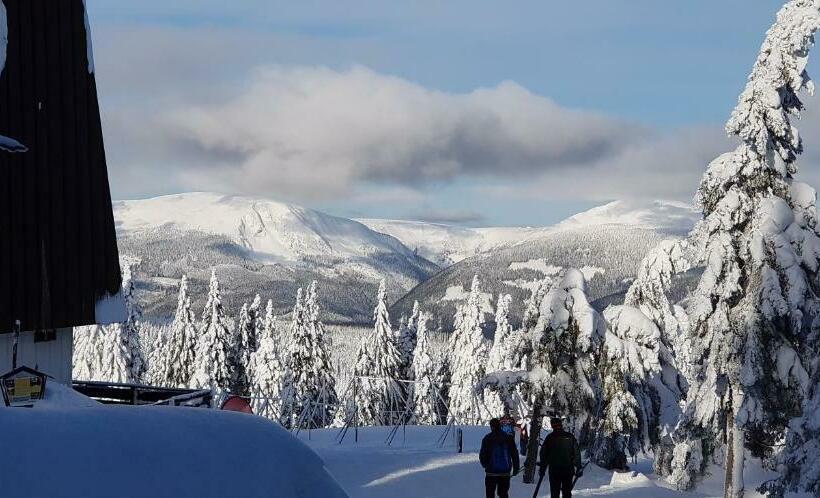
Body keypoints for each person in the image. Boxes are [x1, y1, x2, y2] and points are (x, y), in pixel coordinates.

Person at [538, 417, 582, 498]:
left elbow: (543, 454)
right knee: (567, 493)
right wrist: (578, 467)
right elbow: (577, 453)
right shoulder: (570, 436)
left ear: (552, 426)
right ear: (561, 425)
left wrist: (542, 468)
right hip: (568, 470)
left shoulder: (550, 438)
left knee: (555, 493)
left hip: (554, 470)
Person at [480, 418, 520, 498]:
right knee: (503, 493)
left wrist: (486, 465)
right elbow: (514, 454)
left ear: (491, 427)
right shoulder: (508, 438)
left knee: (490, 494)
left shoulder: (487, 438)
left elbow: (482, 455)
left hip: (491, 472)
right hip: (505, 472)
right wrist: (516, 468)